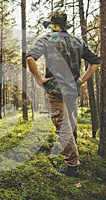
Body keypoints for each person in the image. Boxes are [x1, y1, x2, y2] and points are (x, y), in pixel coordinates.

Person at [26, 10, 100, 177]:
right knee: (70, 124)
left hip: (56, 91)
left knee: (63, 127)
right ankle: (74, 155)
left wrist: (39, 79)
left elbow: (30, 58)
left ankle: (73, 166)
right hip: (73, 90)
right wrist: (81, 80)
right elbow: (95, 62)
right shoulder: (77, 41)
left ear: (52, 25)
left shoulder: (46, 39)